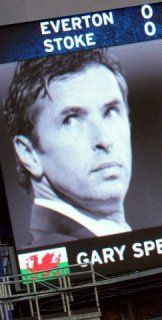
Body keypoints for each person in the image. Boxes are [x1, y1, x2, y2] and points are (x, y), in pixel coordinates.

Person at [4, 49, 132, 248]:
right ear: (28, 154)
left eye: (110, 112)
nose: (104, 139)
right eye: (71, 120)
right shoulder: (49, 269)